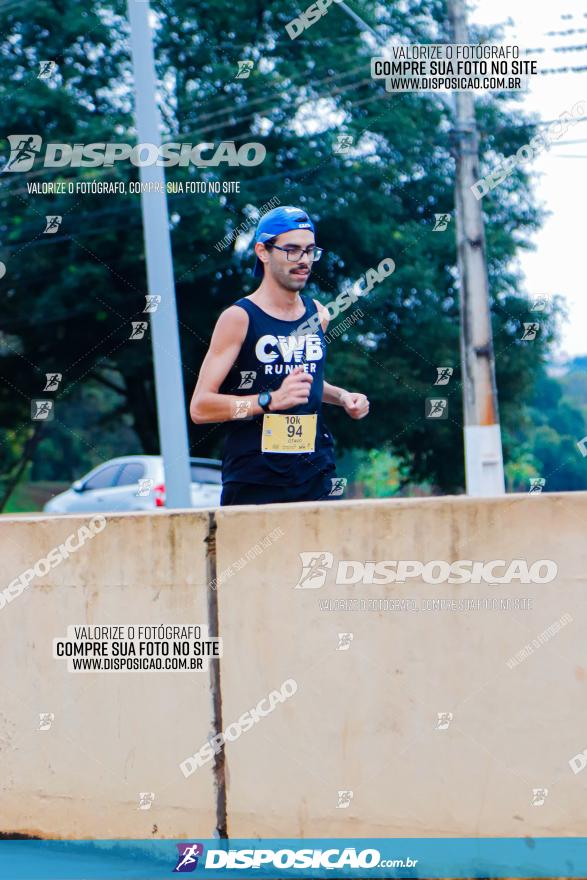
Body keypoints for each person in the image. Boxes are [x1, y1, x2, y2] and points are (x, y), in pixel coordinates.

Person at [189, 205, 369, 506]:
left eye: (310, 251)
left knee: (320, 555)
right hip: (255, 479)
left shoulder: (319, 315)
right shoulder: (239, 318)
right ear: (263, 251)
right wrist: (269, 400)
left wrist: (343, 397)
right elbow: (201, 408)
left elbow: (302, 385)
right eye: (292, 250)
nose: (304, 261)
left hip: (315, 472)